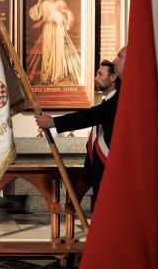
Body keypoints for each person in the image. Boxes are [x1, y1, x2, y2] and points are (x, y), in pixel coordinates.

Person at [35, 46, 127, 207]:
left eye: (119, 56)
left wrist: (54, 122)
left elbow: (92, 116)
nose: (115, 60)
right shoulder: (110, 100)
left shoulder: (122, 97)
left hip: (114, 171)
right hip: (101, 173)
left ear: (113, 78)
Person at [27, 0, 81, 85]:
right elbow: (35, 15)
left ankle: (56, 76)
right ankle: (46, 75)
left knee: (58, 50)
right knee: (47, 51)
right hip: (48, 28)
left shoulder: (61, 2)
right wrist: (39, 2)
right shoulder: (44, 3)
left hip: (59, 29)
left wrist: (64, 11)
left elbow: (69, 15)